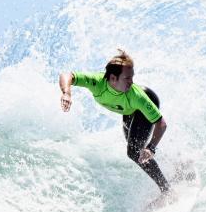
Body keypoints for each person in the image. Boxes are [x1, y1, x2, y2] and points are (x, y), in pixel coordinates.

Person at [59, 49, 171, 194]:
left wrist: (151, 148)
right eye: (127, 78)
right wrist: (66, 93)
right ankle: (173, 165)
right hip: (128, 111)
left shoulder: (137, 96)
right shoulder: (97, 82)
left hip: (142, 107)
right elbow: (67, 75)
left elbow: (161, 124)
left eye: (132, 77)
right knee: (136, 148)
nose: (131, 82)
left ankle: (166, 189)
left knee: (135, 151)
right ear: (113, 78)